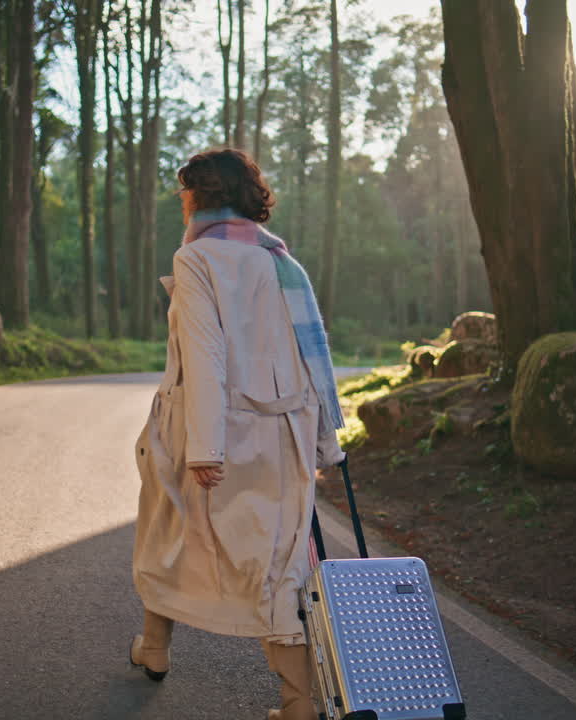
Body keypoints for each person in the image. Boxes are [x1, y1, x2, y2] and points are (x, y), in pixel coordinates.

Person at [129, 148, 346, 720]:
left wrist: (205, 447)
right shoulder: (281, 262)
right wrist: (326, 441)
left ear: (199, 196)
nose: (181, 202)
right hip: (286, 431)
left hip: (211, 429)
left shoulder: (199, 258)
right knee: (277, 563)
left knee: (167, 530)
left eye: (184, 192)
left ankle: (155, 648)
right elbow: (313, 357)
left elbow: (204, 355)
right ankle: (298, 704)